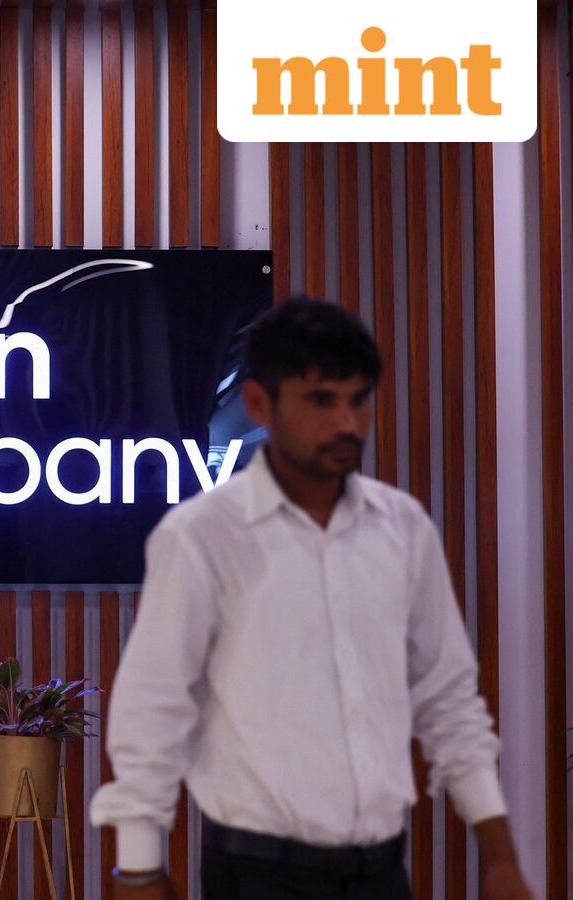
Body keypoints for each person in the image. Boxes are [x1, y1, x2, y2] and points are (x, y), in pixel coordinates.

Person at [90, 298, 534, 900]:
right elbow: (155, 706)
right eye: (321, 400)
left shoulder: (403, 529)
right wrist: (139, 867)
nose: (346, 423)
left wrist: (500, 853)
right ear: (258, 404)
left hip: (381, 874)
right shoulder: (203, 535)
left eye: (358, 399)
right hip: (257, 875)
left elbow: (448, 696)